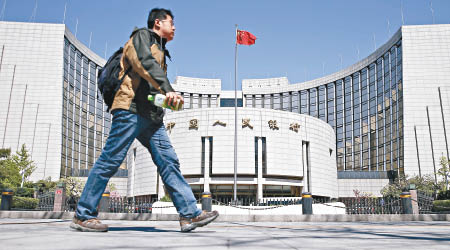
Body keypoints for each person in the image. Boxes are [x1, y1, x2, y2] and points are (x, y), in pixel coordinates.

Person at [70, 8, 219, 233]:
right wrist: (169, 89)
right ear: (158, 23)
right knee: (110, 160)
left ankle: (189, 214)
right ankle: (83, 215)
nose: (175, 27)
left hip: (151, 117)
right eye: (172, 22)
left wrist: (165, 101)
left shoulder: (160, 48)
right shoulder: (141, 37)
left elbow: (149, 85)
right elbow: (144, 64)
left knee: (169, 162)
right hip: (130, 110)